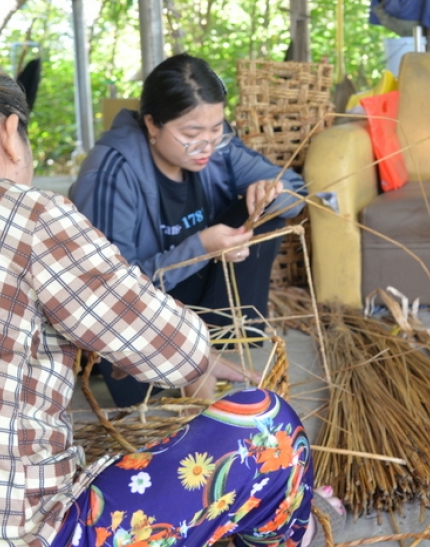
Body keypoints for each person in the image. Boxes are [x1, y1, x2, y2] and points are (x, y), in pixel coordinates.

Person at [0, 57, 317, 547]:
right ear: (10, 133)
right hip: (14, 536)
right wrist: (200, 354)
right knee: (267, 427)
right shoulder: (32, 212)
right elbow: (179, 350)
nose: (207, 144)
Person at [71, 54, 307, 406]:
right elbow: (108, 293)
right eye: (191, 133)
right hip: (138, 324)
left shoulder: (218, 148)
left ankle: (216, 350)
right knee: (124, 329)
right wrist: (201, 247)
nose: (206, 146)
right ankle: (199, 362)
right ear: (152, 124)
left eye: (215, 129)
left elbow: (297, 192)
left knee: (264, 210)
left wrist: (273, 193)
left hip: (194, 302)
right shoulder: (111, 174)